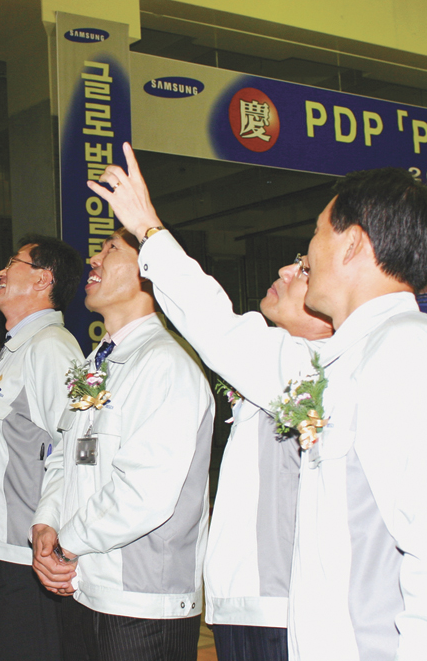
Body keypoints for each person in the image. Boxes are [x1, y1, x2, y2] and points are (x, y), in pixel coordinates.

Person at [98, 153, 427, 660]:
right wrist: (148, 230)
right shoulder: (342, 360)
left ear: (352, 242)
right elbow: (224, 334)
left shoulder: (411, 351)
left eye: (317, 233)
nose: (308, 255)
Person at [89, 144, 334, 661]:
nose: (287, 272)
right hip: (240, 603)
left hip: (286, 611)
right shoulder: (280, 367)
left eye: (304, 268)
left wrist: (148, 228)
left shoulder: (314, 368)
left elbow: (214, 324)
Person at [31, 228, 214, 661]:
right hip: (84, 584)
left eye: (111, 250)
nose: (94, 259)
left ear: (150, 272)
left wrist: (65, 544)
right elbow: (65, 456)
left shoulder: (166, 361)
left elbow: (145, 491)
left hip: (142, 602)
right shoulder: (99, 361)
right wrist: (47, 522)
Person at [0, 235, 85, 661]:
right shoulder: (15, 351)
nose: (0, 272)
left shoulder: (50, 348)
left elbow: (71, 447)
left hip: (25, 552)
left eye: (11, 263)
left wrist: (56, 537)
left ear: (42, 279)